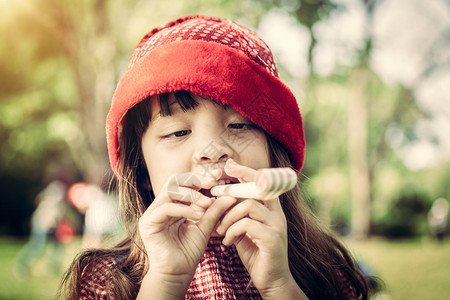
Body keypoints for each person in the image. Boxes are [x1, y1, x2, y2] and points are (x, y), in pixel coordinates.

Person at [60, 15, 370, 299]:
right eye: (178, 132)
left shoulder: (327, 272)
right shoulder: (103, 282)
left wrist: (279, 285)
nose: (212, 151)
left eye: (238, 125)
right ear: (141, 169)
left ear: (274, 157)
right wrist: (166, 279)